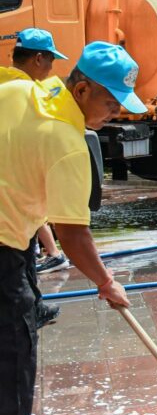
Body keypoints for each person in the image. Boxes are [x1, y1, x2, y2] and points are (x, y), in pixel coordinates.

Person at [1, 41, 137, 415]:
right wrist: (106, 282)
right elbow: (73, 233)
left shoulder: (18, 88)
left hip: (15, 238)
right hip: (4, 254)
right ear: (82, 90)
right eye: (111, 103)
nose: (116, 113)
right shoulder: (68, 144)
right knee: (12, 369)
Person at [3, 29, 70, 331]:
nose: (52, 68)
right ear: (39, 58)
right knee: (18, 267)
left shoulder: (4, 83)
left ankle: (34, 307)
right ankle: (27, 316)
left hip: (12, 198)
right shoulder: (30, 93)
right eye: (51, 60)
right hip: (15, 202)